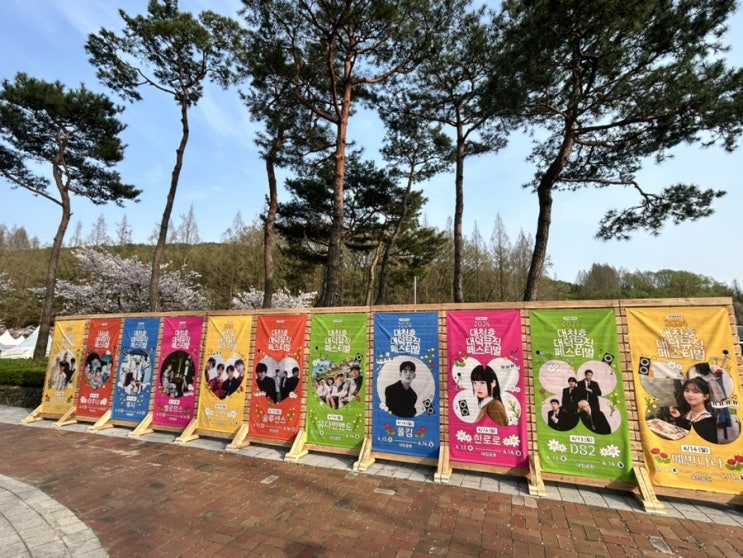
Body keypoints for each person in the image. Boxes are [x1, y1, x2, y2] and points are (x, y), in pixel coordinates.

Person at [669, 376, 718, 444]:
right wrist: (678, 417)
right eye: (687, 390)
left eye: (695, 392)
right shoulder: (688, 414)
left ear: (705, 396)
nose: (690, 394)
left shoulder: (707, 423)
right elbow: (683, 432)